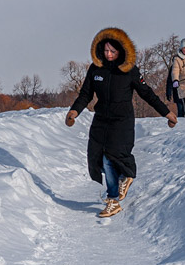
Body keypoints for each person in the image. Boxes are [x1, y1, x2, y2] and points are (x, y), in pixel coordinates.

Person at [66, 27, 177, 218]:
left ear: (121, 52)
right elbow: (85, 94)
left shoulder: (129, 71)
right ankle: (123, 178)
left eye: (113, 51)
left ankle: (113, 200)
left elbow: (147, 93)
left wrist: (167, 113)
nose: (108, 54)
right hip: (101, 119)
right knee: (97, 157)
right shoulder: (95, 69)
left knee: (111, 156)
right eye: (106, 50)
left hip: (122, 120)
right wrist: (74, 111)